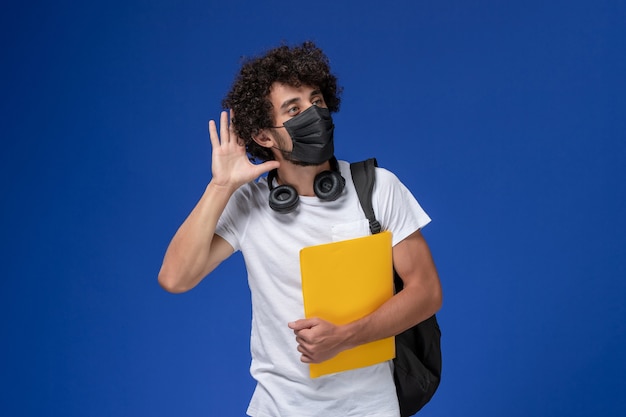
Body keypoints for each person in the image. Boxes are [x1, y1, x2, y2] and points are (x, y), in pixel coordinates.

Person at [158, 41, 442, 417]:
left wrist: (346, 337)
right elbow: (175, 278)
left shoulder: (378, 187)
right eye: (294, 109)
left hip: (370, 408)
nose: (313, 114)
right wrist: (221, 187)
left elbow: (426, 292)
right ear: (264, 136)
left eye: (317, 101)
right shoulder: (249, 204)